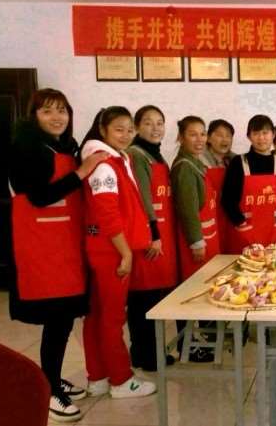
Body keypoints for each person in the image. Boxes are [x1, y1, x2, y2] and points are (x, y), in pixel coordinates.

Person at [8, 88, 107, 422]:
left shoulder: (66, 145)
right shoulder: (26, 148)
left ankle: (51, 375)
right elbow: (39, 196)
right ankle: (48, 389)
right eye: (47, 111)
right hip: (42, 248)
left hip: (65, 244)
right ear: (33, 115)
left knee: (64, 318)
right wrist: (82, 171)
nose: (57, 117)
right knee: (56, 318)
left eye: (62, 110)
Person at [80, 106, 156, 399]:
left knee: (98, 315)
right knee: (112, 318)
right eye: (118, 129)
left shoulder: (114, 159)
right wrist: (125, 253)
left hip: (105, 247)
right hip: (110, 251)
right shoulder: (104, 165)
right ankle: (121, 380)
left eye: (129, 130)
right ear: (103, 130)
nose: (125, 135)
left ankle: (98, 377)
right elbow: (107, 214)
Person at [126, 105, 178, 371]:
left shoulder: (156, 155)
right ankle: (144, 354)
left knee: (154, 297)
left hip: (161, 234)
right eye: (148, 122)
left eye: (160, 122)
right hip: (148, 236)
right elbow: (143, 198)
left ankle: (148, 351)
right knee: (143, 298)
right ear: (137, 127)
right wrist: (153, 235)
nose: (155, 128)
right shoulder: (136, 155)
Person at [173, 116, 221, 363]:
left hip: (207, 239)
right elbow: (188, 210)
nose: (199, 139)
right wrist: (196, 242)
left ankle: (199, 342)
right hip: (196, 243)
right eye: (193, 134)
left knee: (204, 291)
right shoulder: (184, 167)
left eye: (202, 134)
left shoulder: (196, 163)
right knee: (191, 294)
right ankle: (188, 347)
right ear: (181, 137)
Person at [221, 115, 276, 252]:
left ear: (273, 134)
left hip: (275, 233)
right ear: (249, 136)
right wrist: (242, 226)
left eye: (265, 133)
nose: (261, 138)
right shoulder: (238, 163)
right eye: (256, 133)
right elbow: (228, 200)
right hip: (243, 233)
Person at [200, 119, 236, 250]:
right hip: (207, 218)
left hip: (229, 219)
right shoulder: (199, 159)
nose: (225, 139)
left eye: (228, 136)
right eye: (220, 135)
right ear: (209, 138)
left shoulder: (236, 161)